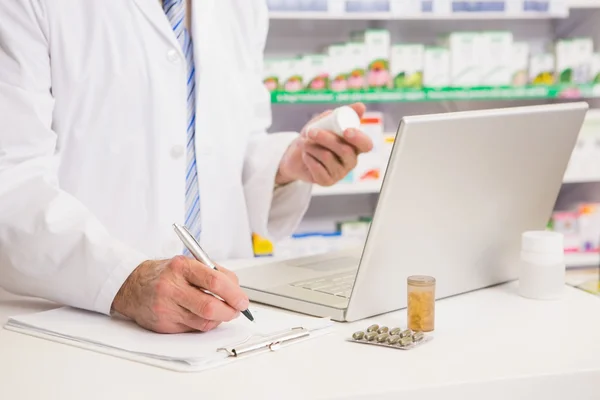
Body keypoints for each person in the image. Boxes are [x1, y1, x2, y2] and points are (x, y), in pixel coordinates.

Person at [0, 1, 373, 333]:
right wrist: (125, 281)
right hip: (75, 324)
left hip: (223, 319)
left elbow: (227, 146)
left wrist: (286, 165)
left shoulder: (243, 7)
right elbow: (11, 179)